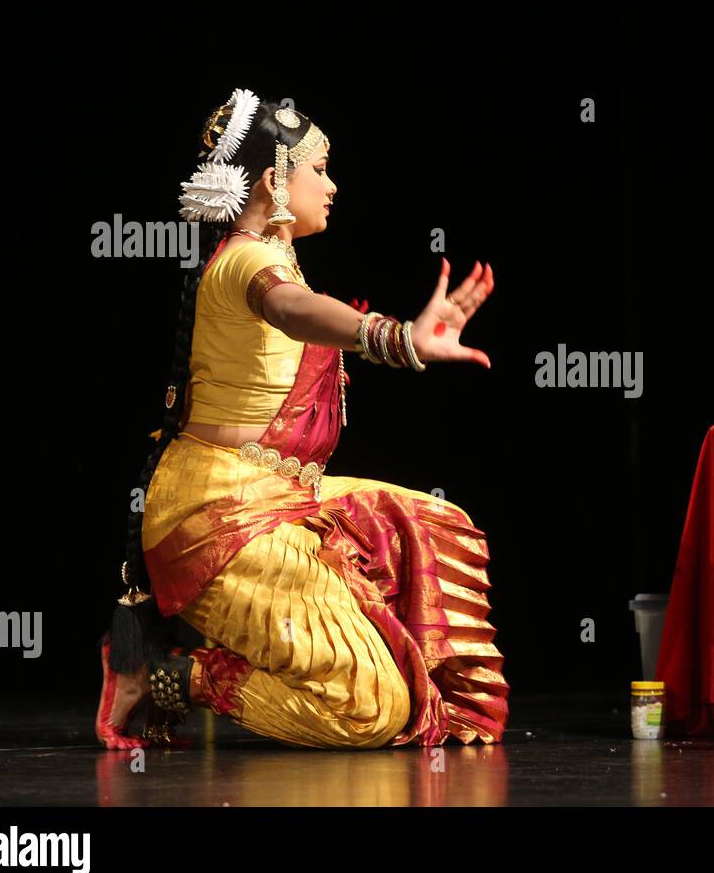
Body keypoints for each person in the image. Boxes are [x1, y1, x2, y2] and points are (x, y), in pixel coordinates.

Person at [95, 88, 509, 750]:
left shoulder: (274, 255)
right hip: (220, 516)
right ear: (271, 180)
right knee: (372, 710)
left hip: (274, 499)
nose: (332, 184)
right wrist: (396, 338)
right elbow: (292, 309)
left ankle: (258, 652)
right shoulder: (247, 259)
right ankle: (175, 676)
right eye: (318, 168)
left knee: (432, 519)